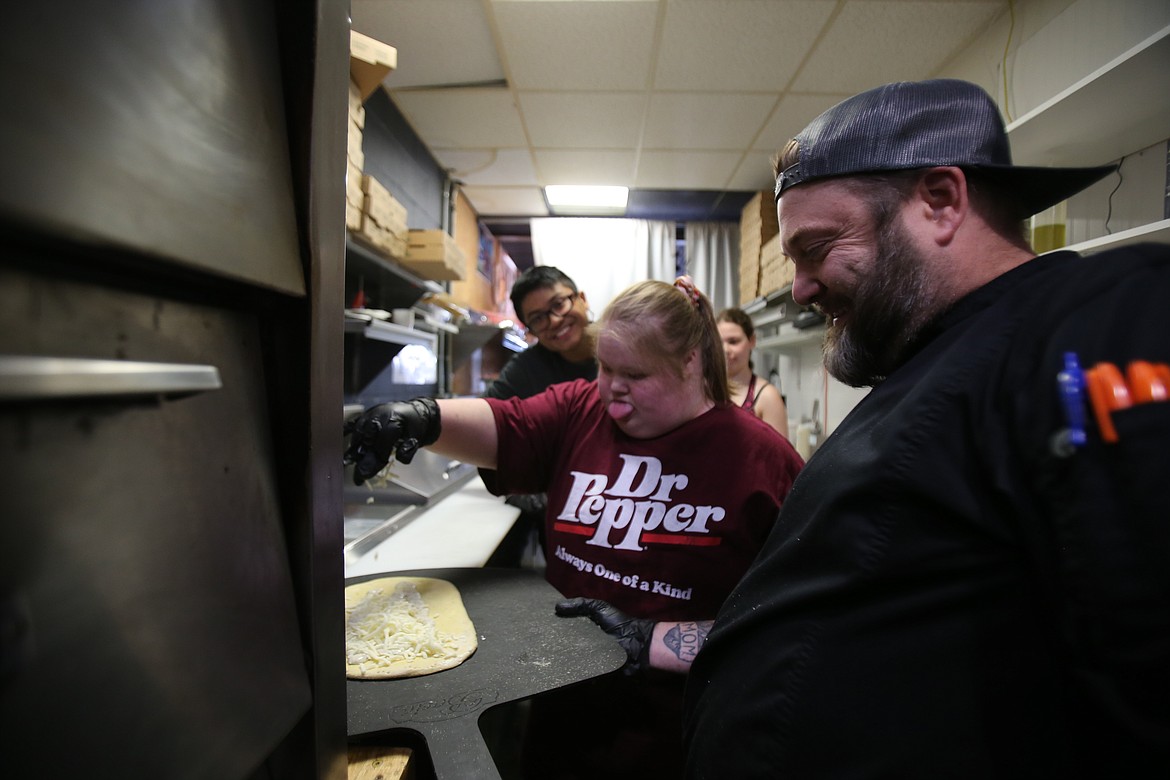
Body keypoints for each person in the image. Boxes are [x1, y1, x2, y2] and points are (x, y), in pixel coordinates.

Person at [680, 79, 1170, 777]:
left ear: (941, 202)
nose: (801, 289)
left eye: (817, 247)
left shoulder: (1093, 320)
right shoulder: (937, 365)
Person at [345, 277, 804, 779]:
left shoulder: (762, 461)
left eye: (635, 373)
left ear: (691, 362)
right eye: (605, 367)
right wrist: (421, 417)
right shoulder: (581, 408)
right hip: (562, 702)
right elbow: (505, 423)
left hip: (676, 725)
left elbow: (793, 625)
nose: (611, 388)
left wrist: (649, 640)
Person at [481, 265, 598, 568]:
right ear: (530, 329)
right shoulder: (527, 369)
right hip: (566, 513)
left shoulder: (625, 344)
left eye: (559, 304)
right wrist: (523, 492)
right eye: (538, 318)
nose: (555, 321)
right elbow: (486, 418)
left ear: (582, 298)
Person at [717, 307, 789, 439]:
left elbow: (781, 458)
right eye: (719, 342)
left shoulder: (767, 396)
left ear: (752, 341)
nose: (725, 349)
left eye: (733, 341)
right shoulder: (707, 392)